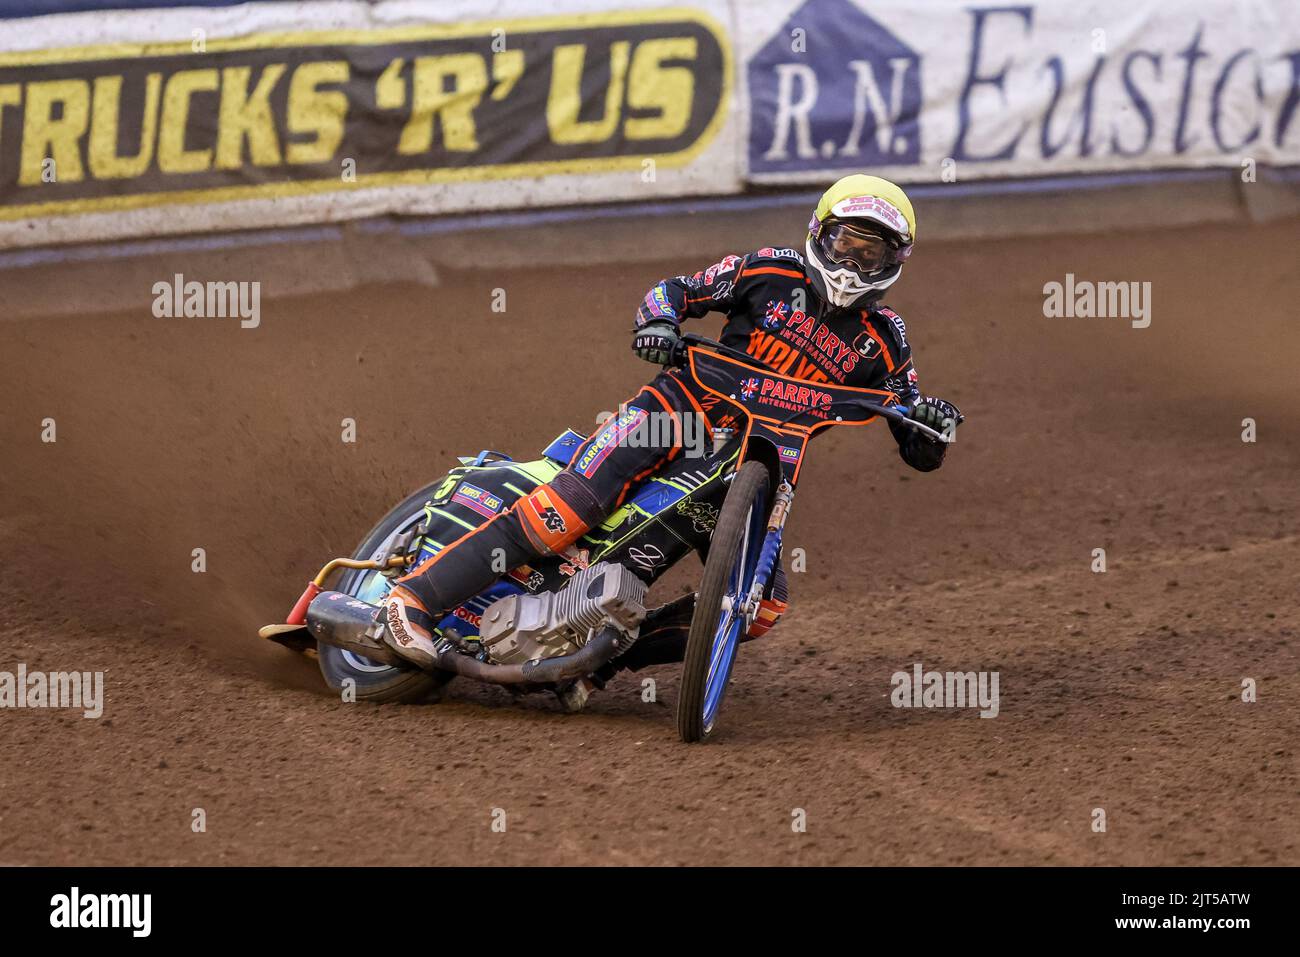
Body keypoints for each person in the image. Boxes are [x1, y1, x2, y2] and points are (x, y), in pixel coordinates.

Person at [378, 173, 963, 671]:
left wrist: (933, 422)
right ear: (818, 234)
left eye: (873, 254)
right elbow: (676, 291)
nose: (854, 262)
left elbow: (916, 437)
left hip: (761, 467)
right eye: (846, 243)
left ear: (896, 263)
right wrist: (656, 323)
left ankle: (598, 663)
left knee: (758, 609)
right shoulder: (768, 270)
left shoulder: (886, 341)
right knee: (569, 508)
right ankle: (410, 602)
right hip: (673, 414)